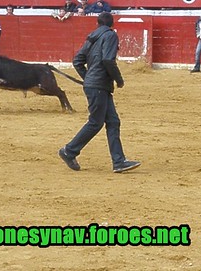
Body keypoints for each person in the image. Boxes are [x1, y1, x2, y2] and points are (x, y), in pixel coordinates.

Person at [58, 12, 141, 173]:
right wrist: (118, 79)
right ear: (112, 24)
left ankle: (118, 161)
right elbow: (108, 60)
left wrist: (88, 77)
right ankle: (69, 150)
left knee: (113, 121)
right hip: (99, 85)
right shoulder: (110, 35)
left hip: (96, 85)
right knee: (96, 122)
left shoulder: (92, 37)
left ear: (97, 23)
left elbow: (77, 61)